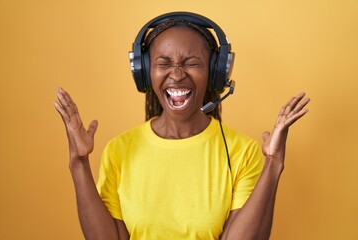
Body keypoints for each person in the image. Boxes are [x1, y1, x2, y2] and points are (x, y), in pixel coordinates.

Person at [54, 12, 310, 240]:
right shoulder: (119, 150)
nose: (176, 74)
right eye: (163, 63)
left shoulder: (242, 152)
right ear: (144, 72)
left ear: (215, 72)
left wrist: (273, 164)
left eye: (191, 62)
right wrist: (79, 162)